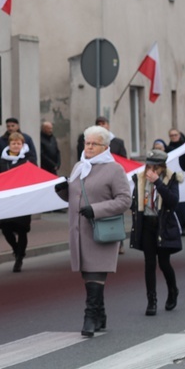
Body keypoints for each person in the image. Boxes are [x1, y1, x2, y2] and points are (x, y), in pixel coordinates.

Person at [56, 125, 131, 338]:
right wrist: (65, 193)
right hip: (80, 231)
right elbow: (78, 197)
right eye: (86, 143)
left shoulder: (114, 169)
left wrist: (96, 210)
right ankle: (101, 315)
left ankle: (90, 316)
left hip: (101, 230)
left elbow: (125, 200)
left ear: (105, 147)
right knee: (87, 273)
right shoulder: (80, 166)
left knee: (95, 273)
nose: (88, 147)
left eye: (93, 144)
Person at [129, 149, 183, 316]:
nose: (150, 171)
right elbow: (134, 202)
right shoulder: (139, 179)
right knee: (149, 263)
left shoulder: (170, 179)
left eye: (154, 168)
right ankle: (151, 301)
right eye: (148, 167)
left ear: (161, 168)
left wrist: (158, 183)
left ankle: (173, 290)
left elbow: (173, 202)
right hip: (146, 225)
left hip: (163, 225)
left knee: (164, 263)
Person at [0, 132, 36, 272]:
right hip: (7, 199)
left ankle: (19, 258)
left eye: (18, 143)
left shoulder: (29, 159)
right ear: (9, 145)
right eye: (13, 143)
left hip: (22, 199)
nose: (16, 146)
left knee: (22, 230)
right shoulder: (2, 161)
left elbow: (33, 175)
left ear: (23, 145)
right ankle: (17, 250)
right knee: (5, 228)